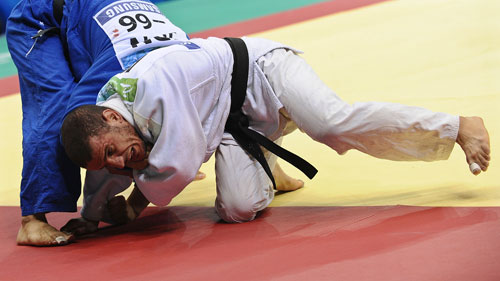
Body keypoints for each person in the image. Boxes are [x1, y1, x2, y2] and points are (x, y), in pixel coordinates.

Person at [59, 36, 490, 235]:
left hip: (263, 73)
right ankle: (271, 171)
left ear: (112, 119)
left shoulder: (155, 87)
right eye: (108, 160)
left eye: (113, 151)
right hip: (232, 117)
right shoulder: (108, 117)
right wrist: (91, 214)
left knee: (329, 124)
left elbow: (180, 166)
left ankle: (456, 126)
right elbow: (101, 172)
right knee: (238, 209)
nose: (118, 162)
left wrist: (133, 205)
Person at [5, 0, 192, 246]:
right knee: (59, 105)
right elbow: (82, 129)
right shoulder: (111, 76)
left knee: (127, 138)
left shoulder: (190, 63)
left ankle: (101, 202)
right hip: (38, 19)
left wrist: (134, 203)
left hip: (88, 25)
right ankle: (31, 220)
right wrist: (94, 212)